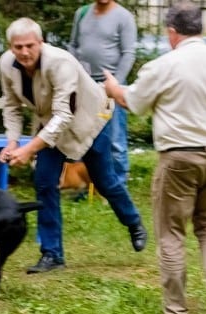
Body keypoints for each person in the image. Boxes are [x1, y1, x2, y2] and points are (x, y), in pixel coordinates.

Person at [103, 2, 206, 314]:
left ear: (171, 32)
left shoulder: (163, 66)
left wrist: (113, 88)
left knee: (172, 232)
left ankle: (176, 312)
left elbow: (132, 102)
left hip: (179, 157)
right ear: (200, 28)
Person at [0, 17, 147, 274]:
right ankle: (52, 254)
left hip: (89, 122)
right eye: (18, 46)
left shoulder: (60, 62)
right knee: (44, 184)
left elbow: (65, 115)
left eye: (29, 46)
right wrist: (12, 142)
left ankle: (134, 223)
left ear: (40, 43)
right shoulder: (6, 65)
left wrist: (29, 149)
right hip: (51, 127)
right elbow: (11, 106)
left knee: (105, 182)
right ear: (11, 47)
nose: (24, 52)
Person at [68, 0, 136, 186]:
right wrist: (76, 71)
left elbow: (129, 53)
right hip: (86, 85)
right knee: (85, 134)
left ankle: (118, 184)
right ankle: (90, 184)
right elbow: (73, 45)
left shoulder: (124, 17)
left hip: (111, 87)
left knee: (115, 139)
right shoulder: (81, 13)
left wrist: (115, 84)